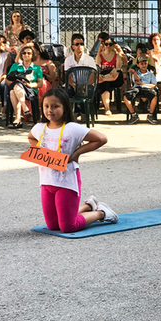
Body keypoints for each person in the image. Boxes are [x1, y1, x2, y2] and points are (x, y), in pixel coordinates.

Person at [27, 88, 119, 232]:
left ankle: (101, 212)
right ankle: (89, 206)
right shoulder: (40, 128)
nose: (50, 110)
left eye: (55, 106)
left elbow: (101, 139)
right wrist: (39, 150)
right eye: (46, 106)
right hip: (46, 181)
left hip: (66, 182)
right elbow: (31, 137)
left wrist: (77, 154)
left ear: (64, 108)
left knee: (68, 227)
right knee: (53, 226)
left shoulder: (72, 128)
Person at [6, 44, 43, 128]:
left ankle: (18, 119)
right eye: (24, 53)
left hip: (30, 90)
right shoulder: (15, 66)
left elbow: (40, 84)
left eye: (29, 53)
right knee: (15, 86)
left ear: (32, 55)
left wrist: (30, 85)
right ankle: (24, 109)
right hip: (16, 88)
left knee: (13, 91)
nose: (26, 55)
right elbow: (7, 80)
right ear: (21, 55)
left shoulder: (37, 68)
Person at [124, 56, 158, 125]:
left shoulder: (150, 74)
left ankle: (150, 115)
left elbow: (153, 85)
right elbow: (136, 81)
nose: (144, 65)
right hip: (137, 88)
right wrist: (134, 72)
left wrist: (142, 83)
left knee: (155, 96)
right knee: (126, 96)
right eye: (141, 64)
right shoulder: (136, 73)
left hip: (147, 88)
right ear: (138, 65)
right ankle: (133, 115)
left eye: (145, 63)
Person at [95, 37, 124, 116]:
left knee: (115, 74)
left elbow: (118, 67)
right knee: (105, 84)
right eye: (106, 44)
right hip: (105, 77)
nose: (108, 46)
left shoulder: (117, 55)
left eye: (110, 44)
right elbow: (97, 68)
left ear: (113, 45)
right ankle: (107, 108)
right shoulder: (99, 56)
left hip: (115, 77)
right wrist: (101, 76)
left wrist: (115, 69)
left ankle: (104, 79)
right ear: (103, 45)